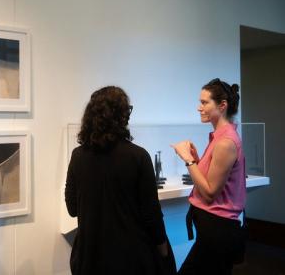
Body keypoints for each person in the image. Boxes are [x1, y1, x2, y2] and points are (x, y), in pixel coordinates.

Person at [65, 86, 176, 275]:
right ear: (121, 116)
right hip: (131, 258)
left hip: (90, 257)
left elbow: (72, 208)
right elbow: (152, 214)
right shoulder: (138, 156)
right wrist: (163, 249)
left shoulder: (78, 156)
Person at [172, 78, 247, 275]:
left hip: (218, 229)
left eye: (204, 102)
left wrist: (188, 159)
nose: (199, 108)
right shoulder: (220, 137)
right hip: (213, 229)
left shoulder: (225, 142)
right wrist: (197, 161)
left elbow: (210, 192)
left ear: (222, 106)